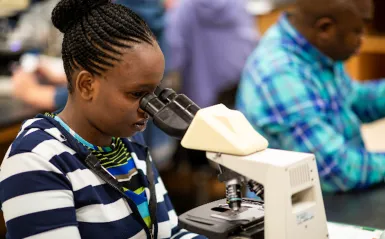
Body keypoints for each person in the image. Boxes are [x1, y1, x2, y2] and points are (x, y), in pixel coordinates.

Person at [0, 0, 206, 238]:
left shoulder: (131, 148)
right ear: (87, 85)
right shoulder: (37, 160)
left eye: (154, 93)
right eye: (137, 94)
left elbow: (168, 234)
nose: (149, 108)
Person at [236, 0, 385, 193]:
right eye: (357, 31)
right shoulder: (281, 74)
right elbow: (336, 171)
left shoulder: (317, 51)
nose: (363, 40)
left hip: (331, 196)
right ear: (325, 29)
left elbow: (353, 100)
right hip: (295, 211)